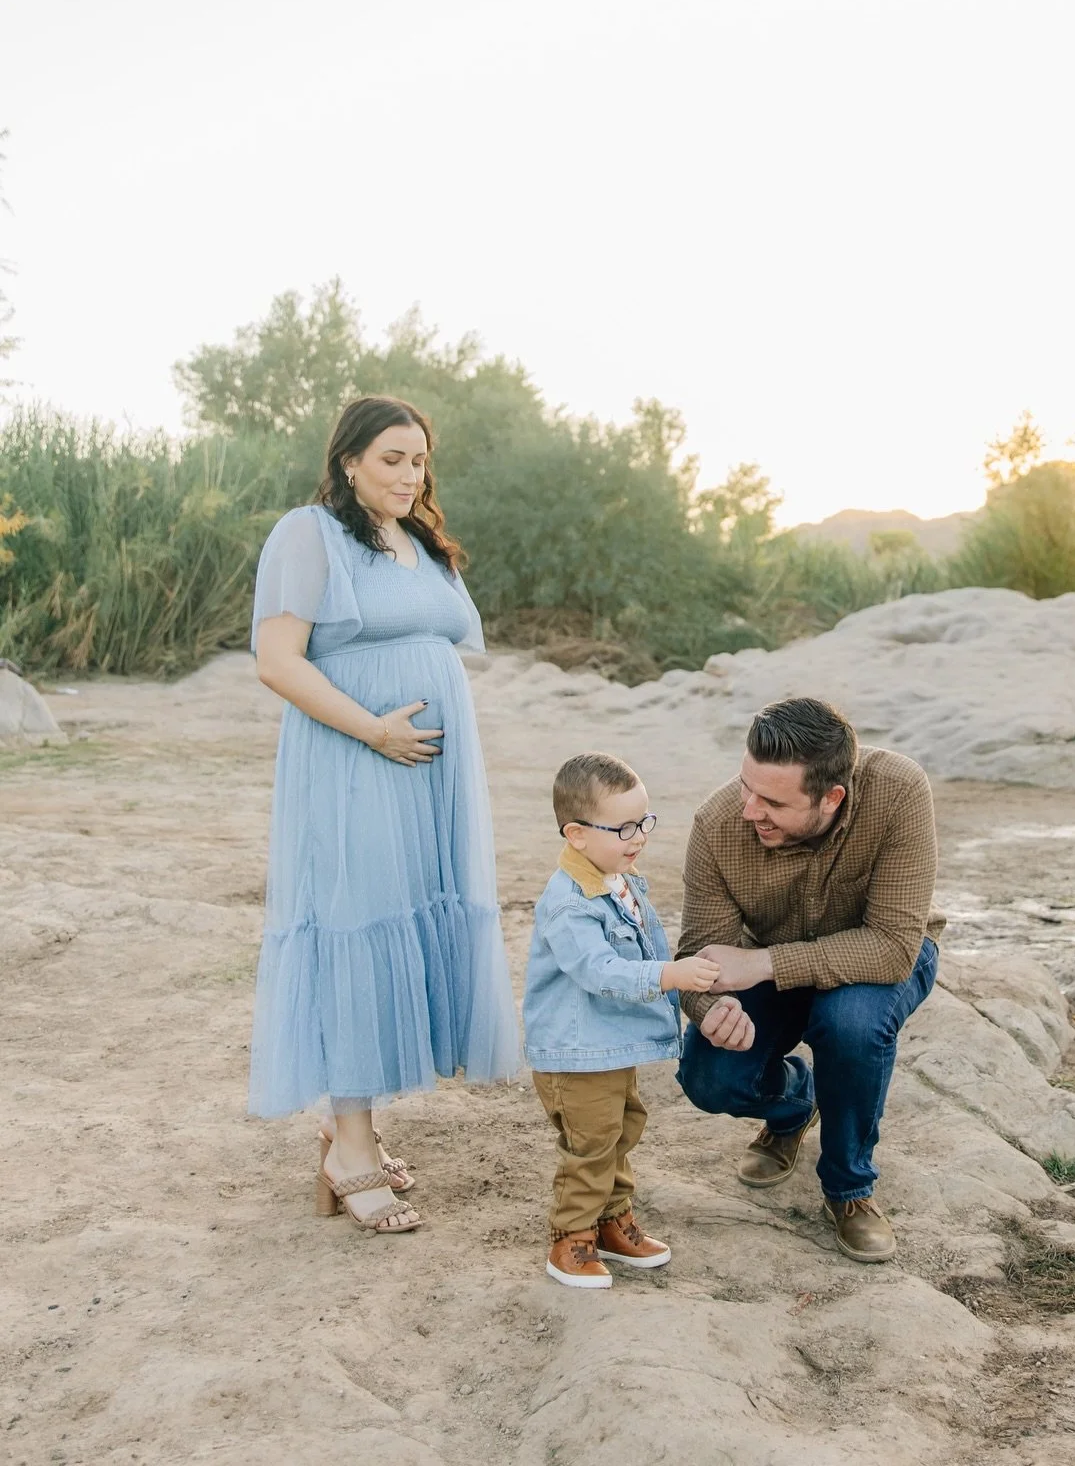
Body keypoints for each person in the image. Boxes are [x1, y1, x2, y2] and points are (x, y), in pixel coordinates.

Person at [249, 395, 519, 1232]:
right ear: (349, 462)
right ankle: (351, 1149)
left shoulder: (419, 540)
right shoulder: (310, 533)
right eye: (392, 459)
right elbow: (275, 661)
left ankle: (350, 1125)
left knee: (406, 920)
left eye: (419, 460)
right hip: (354, 762)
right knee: (358, 928)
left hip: (429, 776)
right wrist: (373, 731)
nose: (409, 475)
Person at [674, 696, 942, 1263]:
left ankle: (849, 1188)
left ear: (832, 797)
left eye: (772, 801)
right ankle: (796, 1106)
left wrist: (766, 964)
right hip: (772, 969)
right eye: (746, 786)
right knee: (708, 1077)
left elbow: (893, 948)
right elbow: (701, 956)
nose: (750, 809)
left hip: (876, 962)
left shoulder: (898, 791)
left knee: (848, 1022)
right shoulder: (719, 823)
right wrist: (711, 1010)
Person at [523, 752, 721, 1288]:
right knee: (589, 1142)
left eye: (644, 822)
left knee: (621, 1127)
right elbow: (599, 971)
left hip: (609, 1045)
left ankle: (613, 1220)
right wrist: (670, 975)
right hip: (576, 1050)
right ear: (577, 834)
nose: (639, 837)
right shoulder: (570, 903)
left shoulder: (618, 877)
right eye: (625, 827)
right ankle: (572, 1238)